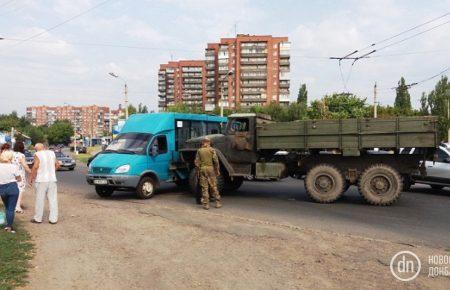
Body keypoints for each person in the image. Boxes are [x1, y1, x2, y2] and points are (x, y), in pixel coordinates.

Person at [30, 143, 60, 224]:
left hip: (41, 180)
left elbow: (35, 166)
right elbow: (57, 165)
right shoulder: (52, 153)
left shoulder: (37, 154)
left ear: (36, 149)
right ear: (43, 147)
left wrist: (31, 177)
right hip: (52, 180)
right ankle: (53, 219)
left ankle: (38, 218)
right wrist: (52, 172)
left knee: (40, 200)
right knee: (53, 200)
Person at [194, 137, 222, 210]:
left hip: (202, 169)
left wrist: (198, 171)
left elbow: (197, 162)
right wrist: (217, 170)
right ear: (209, 142)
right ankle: (218, 202)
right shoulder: (212, 150)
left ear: (203, 142)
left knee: (204, 187)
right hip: (210, 169)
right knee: (213, 186)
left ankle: (206, 205)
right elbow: (216, 161)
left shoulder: (199, 150)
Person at [0, 150, 21, 233]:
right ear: (10, 157)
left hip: (2, 188)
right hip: (12, 187)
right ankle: (9, 227)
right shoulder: (14, 166)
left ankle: (7, 223)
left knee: (7, 207)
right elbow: (19, 178)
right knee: (11, 208)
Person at [12, 141, 32, 213]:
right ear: (22, 148)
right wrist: (31, 172)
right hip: (20, 175)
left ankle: (12, 205)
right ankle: (17, 207)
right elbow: (25, 165)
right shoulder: (21, 155)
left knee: (13, 190)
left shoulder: (11, 154)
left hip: (11, 175)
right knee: (20, 190)